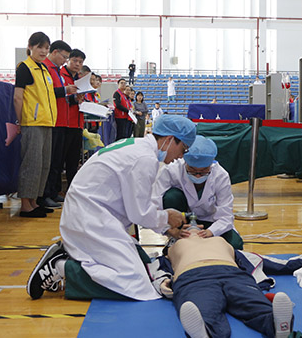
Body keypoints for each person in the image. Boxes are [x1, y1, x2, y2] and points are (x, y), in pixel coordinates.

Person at [26, 114, 196, 301]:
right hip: (90, 217)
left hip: (94, 212)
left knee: (144, 263)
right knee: (136, 284)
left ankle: (72, 257)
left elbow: (141, 203)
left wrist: (166, 228)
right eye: (183, 148)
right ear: (170, 139)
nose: (181, 156)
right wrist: (167, 217)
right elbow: (139, 214)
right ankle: (61, 267)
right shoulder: (145, 159)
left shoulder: (139, 147)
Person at [163, 226, 293, 338]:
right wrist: (162, 282)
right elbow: (158, 268)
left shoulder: (219, 241)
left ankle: (276, 324)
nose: (193, 229)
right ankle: (205, 331)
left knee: (253, 300)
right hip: (194, 277)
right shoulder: (173, 248)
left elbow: (257, 259)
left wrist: (298, 263)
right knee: (202, 309)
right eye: (187, 228)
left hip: (232, 273)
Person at [154, 136, 243, 250]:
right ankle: (176, 239)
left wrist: (210, 232)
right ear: (185, 162)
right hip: (180, 221)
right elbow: (155, 204)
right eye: (192, 170)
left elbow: (226, 215)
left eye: (203, 171)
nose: (197, 176)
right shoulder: (172, 170)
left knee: (235, 245)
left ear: (210, 164)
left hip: (210, 221)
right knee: (172, 197)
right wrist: (171, 231)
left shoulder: (220, 175)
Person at [13, 32, 57, 218]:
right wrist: (20, 121)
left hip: (47, 122)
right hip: (32, 122)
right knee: (31, 164)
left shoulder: (44, 69)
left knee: (43, 164)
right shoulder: (25, 67)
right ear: (30, 46)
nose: (44, 51)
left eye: (47, 48)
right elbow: (18, 97)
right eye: (40, 47)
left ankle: (34, 201)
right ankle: (25, 205)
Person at [40, 40, 78, 208]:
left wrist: (72, 96)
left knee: (57, 161)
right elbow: (45, 93)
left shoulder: (55, 71)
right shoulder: (46, 68)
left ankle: (53, 192)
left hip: (61, 120)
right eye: (64, 57)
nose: (64, 61)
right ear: (54, 52)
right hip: (52, 120)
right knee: (50, 161)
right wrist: (65, 90)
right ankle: (45, 194)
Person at [58, 49, 86, 191]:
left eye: (80, 62)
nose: (77, 64)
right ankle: (55, 190)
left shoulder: (80, 80)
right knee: (59, 159)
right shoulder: (60, 75)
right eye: (74, 60)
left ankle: (72, 189)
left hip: (77, 123)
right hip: (63, 123)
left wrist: (79, 99)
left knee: (73, 160)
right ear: (68, 60)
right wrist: (73, 98)